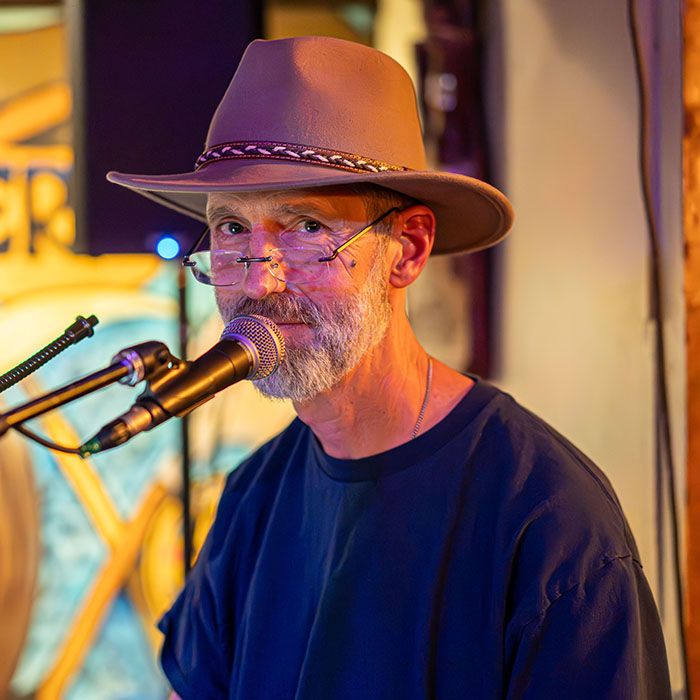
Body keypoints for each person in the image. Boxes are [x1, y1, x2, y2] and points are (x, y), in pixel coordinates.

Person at [109, 36, 672, 699]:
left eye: (307, 227)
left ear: (407, 249)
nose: (259, 281)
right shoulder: (253, 496)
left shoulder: (548, 518)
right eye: (232, 228)